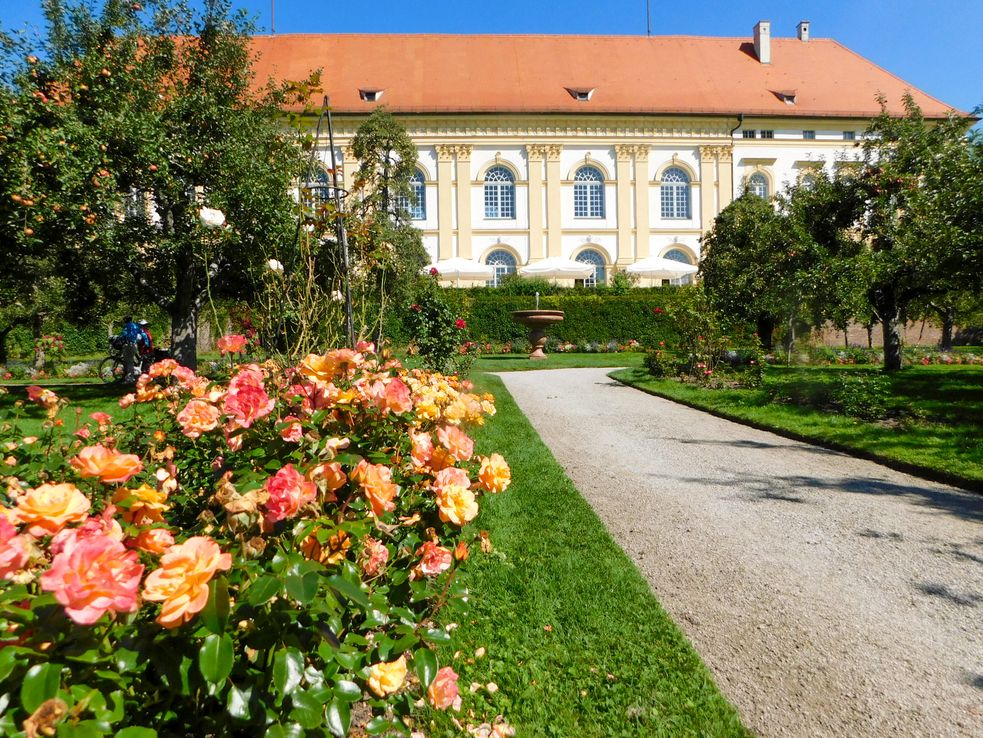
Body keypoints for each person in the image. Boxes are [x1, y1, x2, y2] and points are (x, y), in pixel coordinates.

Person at [117, 315, 148, 381]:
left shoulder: (127, 326)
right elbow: (143, 334)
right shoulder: (136, 326)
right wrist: (146, 342)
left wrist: (120, 338)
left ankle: (130, 377)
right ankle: (129, 376)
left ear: (125, 320)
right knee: (130, 360)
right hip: (134, 344)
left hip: (128, 344)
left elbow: (124, 334)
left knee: (128, 361)